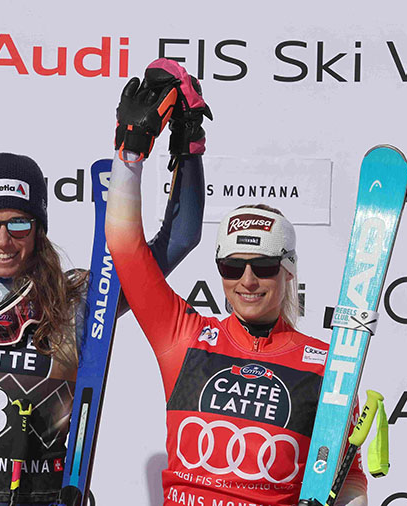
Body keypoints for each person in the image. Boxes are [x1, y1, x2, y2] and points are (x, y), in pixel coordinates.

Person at [0, 25, 206, 506]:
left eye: (19, 224)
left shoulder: (78, 302)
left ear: (40, 228)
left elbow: (181, 237)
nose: (2, 240)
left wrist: (186, 143)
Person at [104, 60, 368, 506]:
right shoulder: (185, 337)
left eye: (263, 266)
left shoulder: (327, 366)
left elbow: (350, 478)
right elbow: (125, 247)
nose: (247, 280)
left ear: (288, 271)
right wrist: (129, 154)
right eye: (232, 267)